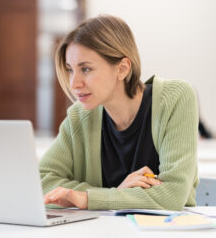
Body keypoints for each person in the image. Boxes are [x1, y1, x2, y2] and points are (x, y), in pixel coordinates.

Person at [39, 15, 198, 211]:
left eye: (86, 69)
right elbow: (40, 181)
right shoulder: (79, 117)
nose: (74, 83)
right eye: (70, 70)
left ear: (122, 68)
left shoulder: (175, 98)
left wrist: (89, 198)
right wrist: (116, 193)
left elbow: (172, 195)